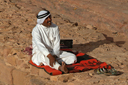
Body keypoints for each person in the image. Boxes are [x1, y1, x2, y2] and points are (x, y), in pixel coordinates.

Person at [32, 9, 77, 73]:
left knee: (73, 58)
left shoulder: (55, 27)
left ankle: (54, 62)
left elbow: (56, 44)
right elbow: (40, 46)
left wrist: (54, 55)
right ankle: (60, 68)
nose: (49, 19)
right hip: (41, 53)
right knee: (46, 59)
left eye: (50, 17)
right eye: (46, 18)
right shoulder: (36, 30)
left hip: (54, 52)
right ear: (41, 21)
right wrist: (50, 56)